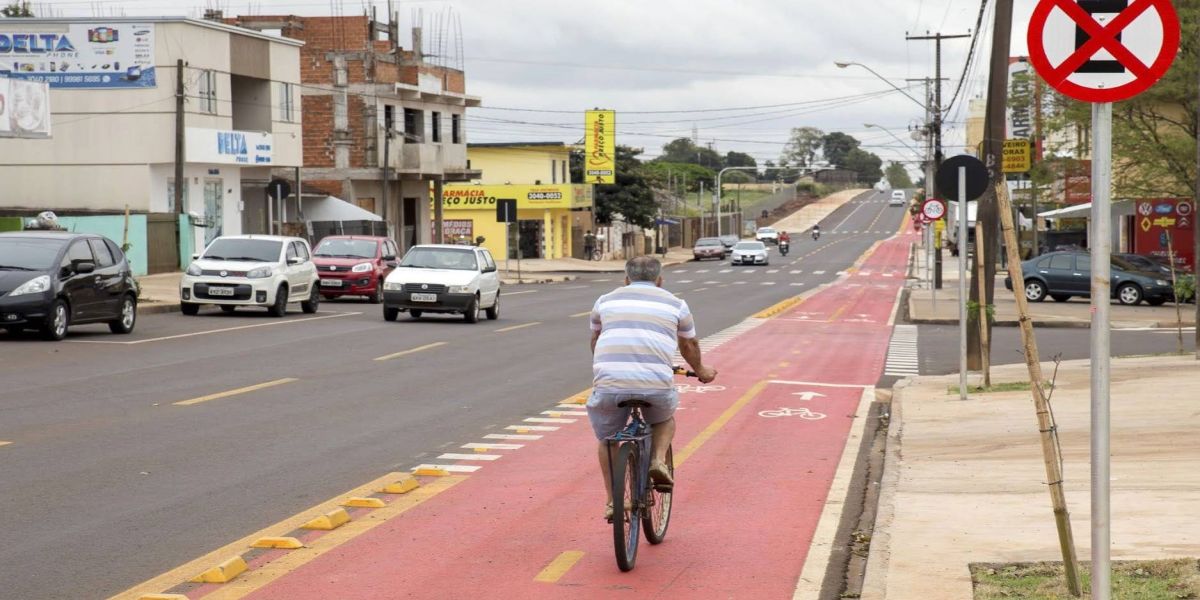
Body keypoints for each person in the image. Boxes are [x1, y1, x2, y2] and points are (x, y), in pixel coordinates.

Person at [588, 256, 717, 520]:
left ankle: (613, 502)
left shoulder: (604, 301)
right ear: (660, 280)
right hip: (655, 384)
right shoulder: (676, 304)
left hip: (610, 382)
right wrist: (702, 371)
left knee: (608, 439)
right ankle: (658, 460)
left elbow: (597, 338)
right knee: (664, 419)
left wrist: (607, 368)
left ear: (626, 279)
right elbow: (688, 344)